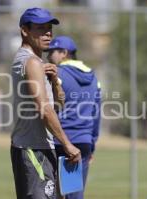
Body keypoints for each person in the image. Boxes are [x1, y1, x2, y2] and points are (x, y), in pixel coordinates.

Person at [10, 8, 81, 199]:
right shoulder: (31, 62)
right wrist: (68, 145)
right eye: (41, 28)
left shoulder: (36, 63)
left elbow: (58, 107)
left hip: (38, 148)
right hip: (34, 149)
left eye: (49, 28)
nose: (48, 33)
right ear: (25, 30)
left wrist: (55, 82)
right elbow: (45, 110)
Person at [47, 36, 101, 199]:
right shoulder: (93, 77)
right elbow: (96, 114)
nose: (49, 56)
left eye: (52, 52)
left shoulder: (58, 75)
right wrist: (92, 144)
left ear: (64, 53)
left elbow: (49, 109)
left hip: (62, 143)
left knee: (54, 194)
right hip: (84, 143)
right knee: (75, 195)